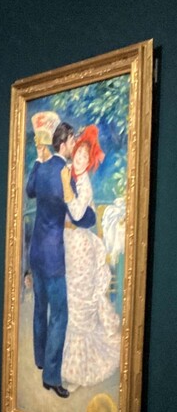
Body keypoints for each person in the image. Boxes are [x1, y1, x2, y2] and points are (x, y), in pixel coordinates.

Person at [61, 125, 121, 390]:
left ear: (90, 161)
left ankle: (79, 372)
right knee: (69, 302)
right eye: (78, 154)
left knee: (80, 304)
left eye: (85, 157)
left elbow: (76, 212)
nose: (80, 159)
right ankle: (67, 364)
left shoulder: (83, 185)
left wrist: (66, 187)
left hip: (81, 249)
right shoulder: (69, 173)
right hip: (67, 245)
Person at [26, 113, 75, 398]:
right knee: (59, 314)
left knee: (39, 308)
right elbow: (75, 212)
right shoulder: (64, 174)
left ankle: (40, 359)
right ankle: (52, 377)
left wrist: (37, 159)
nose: (74, 145)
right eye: (73, 141)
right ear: (64, 143)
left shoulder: (43, 168)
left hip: (36, 252)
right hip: (54, 255)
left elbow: (30, 190)